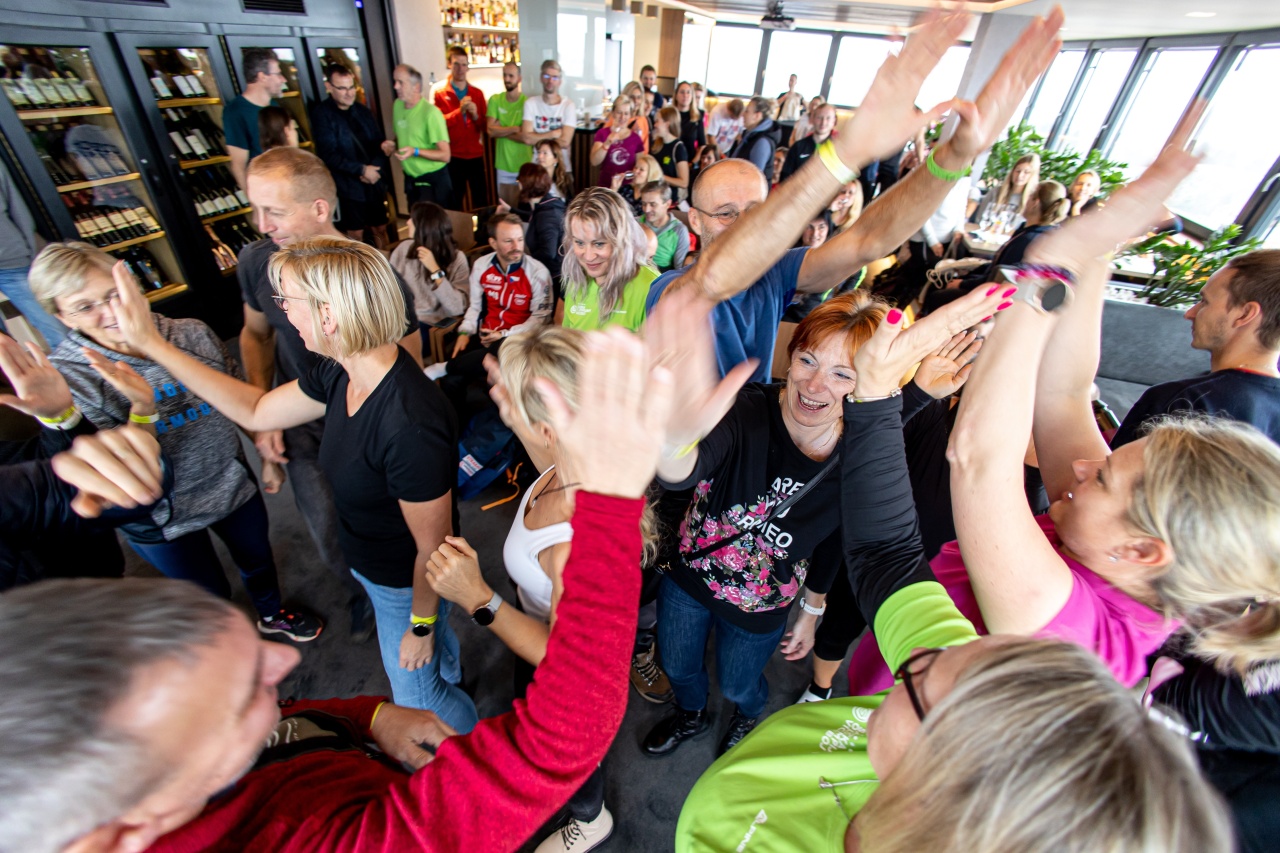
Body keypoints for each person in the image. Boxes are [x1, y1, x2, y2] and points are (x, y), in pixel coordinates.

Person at [0, 327, 681, 853]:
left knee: (566, 760)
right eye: (234, 699)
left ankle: (586, 814)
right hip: (533, 652)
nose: (282, 658)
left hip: (528, 650)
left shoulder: (554, 514)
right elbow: (559, 730)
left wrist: (371, 710)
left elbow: (571, 704)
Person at [849, 109, 1280, 695]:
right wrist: (1101, 241)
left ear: (1142, 549)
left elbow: (979, 458)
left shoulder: (1077, 636)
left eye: (1103, 477)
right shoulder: (1114, 553)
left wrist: (1045, 271)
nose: (1082, 466)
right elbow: (1065, 393)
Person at [113, 236, 479, 731]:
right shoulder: (341, 371)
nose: (281, 310)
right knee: (438, 657)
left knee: (419, 699)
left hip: (404, 581)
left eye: (287, 299)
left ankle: (470, 750)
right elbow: (257, 410)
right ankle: (451, 668)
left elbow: (433, 549)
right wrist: (155, 347)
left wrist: (420, 625)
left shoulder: (409, 423)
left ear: (329, 315)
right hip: (371, 562)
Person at [424, 325, 657, 852]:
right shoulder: (569, 465)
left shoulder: (572, 545)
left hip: (551, 657)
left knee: (569, 752)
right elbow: (544, 457)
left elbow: (560, 655)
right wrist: (516, 411)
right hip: (528, 627)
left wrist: (479, 598)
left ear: (549, 428)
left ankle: (590, 818)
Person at [29, 241, 322, 642]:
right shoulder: (67, 378)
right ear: (60, 316)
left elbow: (240, 400)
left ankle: (271, 614)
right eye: (85, 306)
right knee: (204, 593)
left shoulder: (191, 333)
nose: (111, 312)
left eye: (114, 294)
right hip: (160, 518)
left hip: (231, 483)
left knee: (258, 561)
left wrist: (265, 455)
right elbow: (124, 469)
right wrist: (141, 408)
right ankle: (227, 642)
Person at [236, 147, 422, 641]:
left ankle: (400, 601)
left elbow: (408, 369)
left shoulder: (374, 277)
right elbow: (255, 336)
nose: (262, 225)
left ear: (319, 208)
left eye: (274, 212)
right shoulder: (256, 261)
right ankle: (362, 594)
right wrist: (265, 415)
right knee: (325, 532)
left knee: (384, 527)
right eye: (256, 209)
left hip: (362, 432)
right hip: (300, 426)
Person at [1111, 249, 1280, 448]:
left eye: (1205, 301)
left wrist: (1081, 396)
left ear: (1244, 314)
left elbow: (1109, 468)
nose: (1190, 314)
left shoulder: (1184, 400)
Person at [431, 213, 553, 418]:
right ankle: (456, 429)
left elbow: (540, 319)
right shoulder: (481, 266)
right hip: (486, 334)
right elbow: (475, 307)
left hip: (519, 340)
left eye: (520, 239)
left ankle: (444, 367)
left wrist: (504, 334)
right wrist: (464, 332)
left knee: (488, 376)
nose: (517, 246)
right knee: (452, 381)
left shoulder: (538, 273)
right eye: (508, 241)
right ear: (493, 243)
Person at [921, 180, 1070, 315]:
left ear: (1035, 203)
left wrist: (962, 283)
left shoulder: (1029, 240)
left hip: (991, 296)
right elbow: (995, 268)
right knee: (943, 278)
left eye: (1030, 196)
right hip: (989, 283)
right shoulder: (1032, 232)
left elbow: (998, 278)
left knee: (937, 295)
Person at [312, 63, 392, 249]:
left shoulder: (363, 111)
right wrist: (362, 170)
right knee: (355, 234)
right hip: (348, 187)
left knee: (380, 228)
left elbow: (379, 144)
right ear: (329, 87)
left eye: (351, 87)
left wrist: (374, 170)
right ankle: (360, 266)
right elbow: (328, 155)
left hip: (373, 182)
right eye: (342, 88)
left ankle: (384, 263)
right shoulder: (322, 114)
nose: (349, 93)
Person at [560, 188, 657, 332]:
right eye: (579, 243)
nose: (588, 256)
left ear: (622, 240)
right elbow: (568, 339)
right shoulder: (576, 280)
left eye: (599, 244)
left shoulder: (652, 288)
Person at [0, 159, 65, 348]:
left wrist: (30, 249)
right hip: (14, 258)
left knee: (59, 329)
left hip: (13, 260)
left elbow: (15, 205)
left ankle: (86, 366)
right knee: (3, 348)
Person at [389, 202, 469, 344]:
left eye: (412, 219)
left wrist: (435, 270)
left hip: (431, 324)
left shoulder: (457, 259)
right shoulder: (403, 248)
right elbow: (388, 286)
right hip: (401, 319)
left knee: (395, 347)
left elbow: (456, 308)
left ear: (423, 227)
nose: (407, 222)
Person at [385, 64, 451, 208]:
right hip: (411, 179)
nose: (395, 86)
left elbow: (445, 155)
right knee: (414, 220)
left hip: (433, 181)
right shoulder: (397, 105)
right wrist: (393, 144)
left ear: (416, 87)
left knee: (433, 222)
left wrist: (415, 151)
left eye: (400, 82)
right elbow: (405, 136)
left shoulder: (431, 113)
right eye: (395, 81)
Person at [434, 46, 488, 210]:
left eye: (464, 65)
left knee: (481, 199)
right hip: (454, 155)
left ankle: (483, 227)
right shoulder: (440, 94)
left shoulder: (477, 93)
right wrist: (459, 112)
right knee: (454, 200)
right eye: (456, 64)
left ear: (468, 67)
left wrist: (476, 115)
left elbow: (484, 126)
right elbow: (439, 125)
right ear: (449, 65)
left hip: (475, 155)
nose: (460, 69)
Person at [224, 48, 284, 189]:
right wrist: (254, 200)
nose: (283, 79)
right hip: (265, 189)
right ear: (262, 77)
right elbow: (239, 166)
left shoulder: (274, 106)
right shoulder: (235, 111)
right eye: (278, 74)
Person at [515, 162, 567, 289]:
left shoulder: (547, 214)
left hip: (554, 281)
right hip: (553, 275)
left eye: (518, 180)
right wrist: (510, 210)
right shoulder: (547, 204)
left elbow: (548, 252)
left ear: (524, 185)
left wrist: (524, 260)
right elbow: (535, 218)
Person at [487, 60, 531, 206]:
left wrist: (501, 128)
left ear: (519, 78)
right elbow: (490, 130)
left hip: (524, 165)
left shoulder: (527, 103)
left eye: (511, 76)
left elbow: (525, 137)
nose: (507, 79)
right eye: (505, 75)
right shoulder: (495, 100)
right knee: (506, 208)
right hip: (503, 166)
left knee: (525, 209)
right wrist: (514, 128)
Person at [523, 59, 576, 178]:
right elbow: (527, 139)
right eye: (547, 76)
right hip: (538, 167)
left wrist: (536, 137)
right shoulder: (530, 103)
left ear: (560, 81)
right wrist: (553, 134)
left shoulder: (568, 105)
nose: (550, 80)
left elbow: (565, 142)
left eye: (555, 77)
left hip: (562, 168)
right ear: (541, 78)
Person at [970, 152, 1039, 228]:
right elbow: (979, 218)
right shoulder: (996, 191)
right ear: (1012, 171)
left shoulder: (1031, 201)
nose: (1020, 175)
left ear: (1032, 176)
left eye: (1026, 172)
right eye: (1018, 171)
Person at [591, 96, 644, 188]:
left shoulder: (636, 139)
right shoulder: (602, 133)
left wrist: (628, 180)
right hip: (605, 187)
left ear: (630, 115)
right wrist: (607, 143)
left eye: (626, 113)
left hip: (627, 189)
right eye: (619, 112)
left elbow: (640, 167)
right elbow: (594, 161)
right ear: (613, 113)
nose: (622, 117)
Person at [639, 180, 689, 272]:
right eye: (644, 204)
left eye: (653, 204)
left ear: (667, 204)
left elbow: (680, 270)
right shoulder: (635, 223)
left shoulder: (679, 231)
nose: (646, 209)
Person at [779, 103, 837, 183]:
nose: (823, 122)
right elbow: (785, 177)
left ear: (834, 121)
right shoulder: (798, 147)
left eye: (828, 118)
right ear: (812, 119)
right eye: (819, 118)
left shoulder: (837, 150)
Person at [728, 96, 782, 176]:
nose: (743, 114)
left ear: (757, 116)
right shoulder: (750, 136)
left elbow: (753, 176)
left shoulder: (762, 143)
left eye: (747, 111)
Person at [650, 106, 691, 196]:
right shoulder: (656, 144)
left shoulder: (678, 148)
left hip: (669, 198)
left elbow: (684, 182)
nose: (655, 125)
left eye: (657, 121)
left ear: (667, 124)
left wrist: (660, 177)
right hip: (654, 195)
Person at [612, 152, 660, 218]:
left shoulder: (653, 196)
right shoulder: (626, 189)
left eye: (641, 169)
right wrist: (614, 188)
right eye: (635, 167)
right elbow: (610, 208)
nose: (636, 171)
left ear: (650, 174)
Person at [672, 80, 706, 154]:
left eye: (688, 92)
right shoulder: (670, 114)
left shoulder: (698, 116)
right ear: (676, 95)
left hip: (690, 158)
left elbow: (702, 145)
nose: (685, 95)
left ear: (692, 96)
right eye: (682, 92)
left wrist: (694, 160)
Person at [619, 81, 651, 151]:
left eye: (639, 97)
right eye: (632, 97)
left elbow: (645, 148)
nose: (635, 101)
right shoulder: (617, 118)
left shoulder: (643, 120)